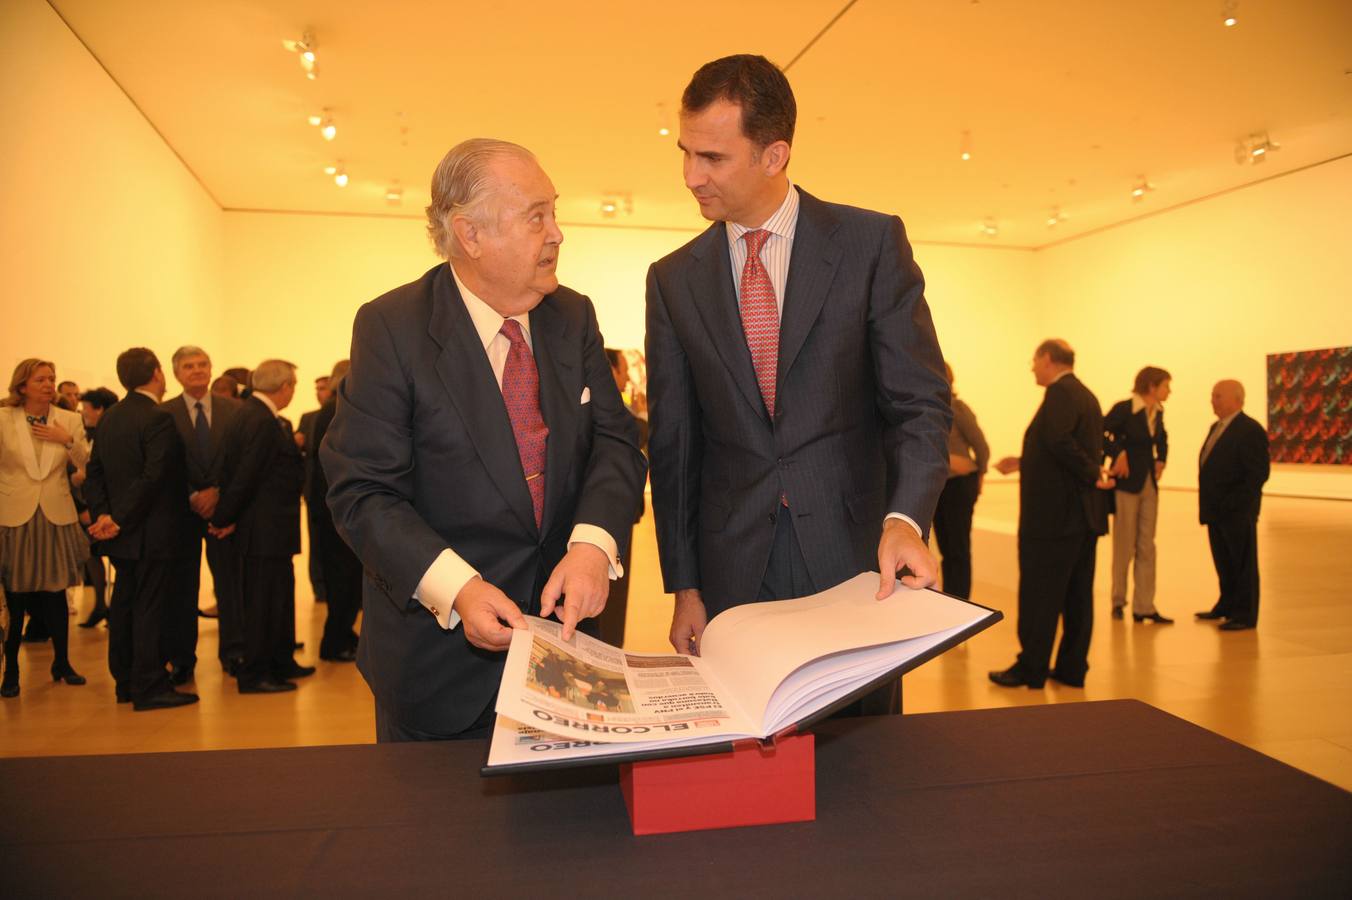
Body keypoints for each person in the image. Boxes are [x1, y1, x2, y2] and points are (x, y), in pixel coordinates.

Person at [645, 55, 951, 717]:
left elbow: (918, 401)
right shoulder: (673, 279)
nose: (691, 176)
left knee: (866, 763)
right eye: (685, 152)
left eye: (714, 158)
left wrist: (904, 520)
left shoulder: (869, 245)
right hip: (734, 572)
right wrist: (686, 585)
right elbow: (674, 447)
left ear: (774, 153)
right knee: (751, 771)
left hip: (854, 561)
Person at [322, 138, 647, 741]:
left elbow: (615, 443)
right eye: (536, 217)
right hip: (439, 668)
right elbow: (363, 491)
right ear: (470, 235)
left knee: (568, 834)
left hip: (569, 655)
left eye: (555, 211)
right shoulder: (393, 328)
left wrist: (593, 545)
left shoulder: (572, 317)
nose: (557, 234)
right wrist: (459, 588)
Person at [991, 339, 1111, 689]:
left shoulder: (1060, 394)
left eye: (1034, 360)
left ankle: (1031, 668)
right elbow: (1061, 447)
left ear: (1047, 359)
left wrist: (1093, 472)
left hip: (1052, 521)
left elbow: (1059, 442)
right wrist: (1025, 461)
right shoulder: (1085, 395)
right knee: (1077, 596)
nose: (1032, 367)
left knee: (1040, 595)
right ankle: (1072, 668)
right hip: (1081, 518)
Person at [83, 348, 199, 710]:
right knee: (150, 609)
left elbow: (95, 472)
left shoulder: (110, 416)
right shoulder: (158, 417)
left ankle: (125, 682)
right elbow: (155, 476)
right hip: (151, 533)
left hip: (122, 535)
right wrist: (118, 518)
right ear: (158, 374)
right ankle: (149, 685)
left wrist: (105, 515)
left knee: (125, 606)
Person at [210, 359, 312, 693]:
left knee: (277, 598)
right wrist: (223, 518)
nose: (293, 391)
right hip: (263, 531)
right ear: (284, 387)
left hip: (271, 531)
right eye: (293, 385)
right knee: (262, 603)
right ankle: (256, 673)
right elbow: (245, 475)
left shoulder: (257, 415)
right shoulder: (259, 419)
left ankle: (280, 661)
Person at [0, 359, 91, 696]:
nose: (48, 384)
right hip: (14, 514)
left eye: (51, 378)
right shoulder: (3, 417)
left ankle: (63, 662)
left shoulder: (68, 419)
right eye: (40, 379)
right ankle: (10, 669)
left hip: (55, 512)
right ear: (22, 385)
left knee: (56, 593)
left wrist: (66, 440)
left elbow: (86, 462)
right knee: (15, 595)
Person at [161, 346, 245, 678]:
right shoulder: (164, 414)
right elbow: (163, 465)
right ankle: (182, 658)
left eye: (202, 365)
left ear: (211, 370)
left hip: (224, 513)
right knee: (182, 588)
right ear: (176, 373)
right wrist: (194, 494)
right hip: (181, 514)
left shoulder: (234, 411)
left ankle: (234, 652)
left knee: (230, 585)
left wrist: (219, 494)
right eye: (189, 366)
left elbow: (241, 460)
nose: (197, 370)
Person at [1196, 380, 1269, 631]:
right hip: (1216, 512)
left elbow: (1257, 474)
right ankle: (1226, 605)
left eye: (1217, 396)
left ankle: (1244, 615)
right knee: (1224, 562)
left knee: (1242, 564)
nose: (1212, 401)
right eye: (1212, 395)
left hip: (1237, 513)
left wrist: (1236, 505)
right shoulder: (1216, 427)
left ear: (1236, 399)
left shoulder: (1250, 430)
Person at [1103, 366, 1173, 624]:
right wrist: (1119, 453)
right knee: (1124, 544)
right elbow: (1102, 432)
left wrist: (1162, 459)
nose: (1169, 391)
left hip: (1148, 484)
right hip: (1126, 484)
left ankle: (1144, 605)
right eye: (1166, 385)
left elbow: (1162, 438)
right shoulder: (1124, 408)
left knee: (1147, 545)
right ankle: (1118, 600)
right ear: (1152, 387)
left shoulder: (1158, 412)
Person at [308, 360, 361, 661]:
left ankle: (343, 635)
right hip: (334, 513)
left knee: (347, 581)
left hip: (332, 510)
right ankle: (335, 641)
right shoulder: (336, 407)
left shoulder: (333, 406)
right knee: (342, 581)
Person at [596, 347, 648, 647]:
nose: (628, 376)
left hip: (622, 515)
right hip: (605, 523)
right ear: (610, 369)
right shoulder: (609, 408)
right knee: (609, 603)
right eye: (623, 369)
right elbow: (635, 432)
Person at [932, 363, 989, 601]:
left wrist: (979, 476)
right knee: (947, 549)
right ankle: (950, 601)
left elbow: (982, 448)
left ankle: (961, 603)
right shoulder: (929, 410)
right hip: (940, 488)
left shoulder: (959, 409)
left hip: (958, 487)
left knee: (958, 551)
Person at [75, 387, 118, 629]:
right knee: (91, 554)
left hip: (107, 507)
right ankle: (101, 604)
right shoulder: (91, 434)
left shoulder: (107, 433)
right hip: (93, 505)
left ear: (99, 408)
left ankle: (110, 607)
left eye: (86, 409)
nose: (83, 414)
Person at [298, 375, 331, 607]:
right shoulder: (307, 418)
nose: (320, 392)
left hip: (332, 489)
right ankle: (319, 586)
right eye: (317, 388)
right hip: (314, 491)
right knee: (316, 542)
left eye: (323, 388)